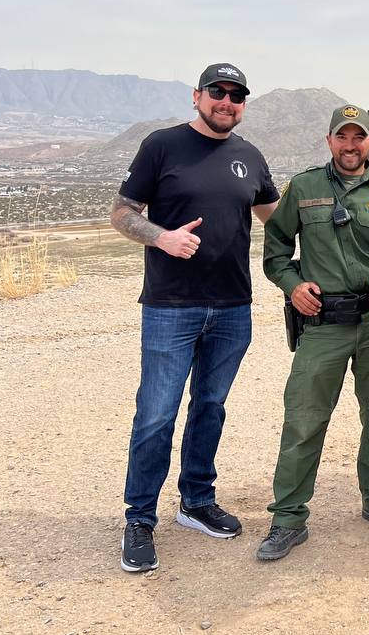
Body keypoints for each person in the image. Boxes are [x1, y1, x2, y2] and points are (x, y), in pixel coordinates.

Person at [112, 63, 279, 574]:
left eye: (236, 95)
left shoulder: (250, 157)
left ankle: (196, 501)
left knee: (211, 406)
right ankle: (139, 519)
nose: (226, 101)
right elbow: (122, 211)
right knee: (157, 413)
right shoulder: (162, 145)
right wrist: (161, 236)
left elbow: (279, 217)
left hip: (233, 307)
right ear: (197, 96)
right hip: (170, 307)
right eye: (217, 92)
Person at [256, 104, 369, 560]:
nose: (350, 145)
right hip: (321, 325)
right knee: (303, 420)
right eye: (343, 136)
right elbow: (275, 251)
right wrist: (293, 285)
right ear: (329, 141)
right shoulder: (304, 187)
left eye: (359, 137)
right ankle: (288, 518)